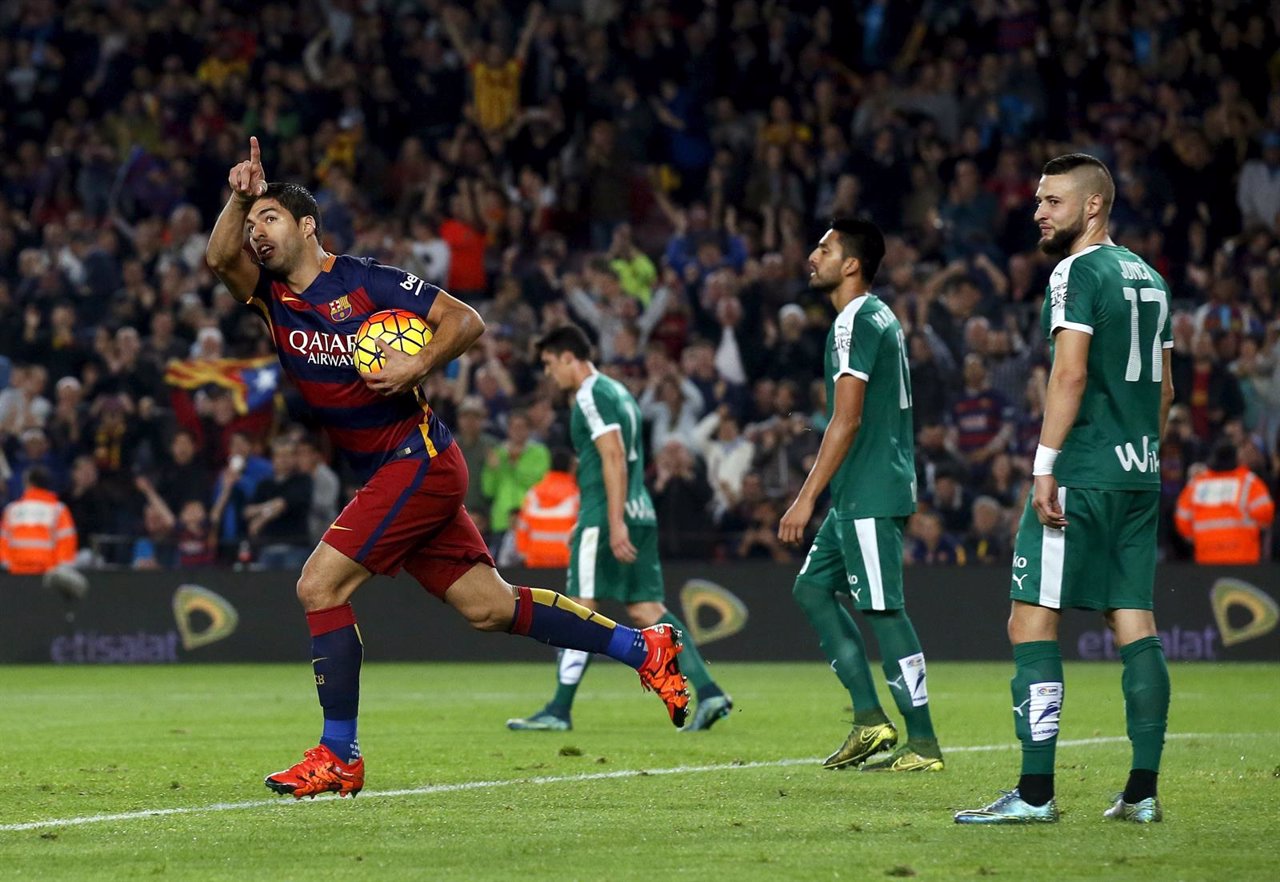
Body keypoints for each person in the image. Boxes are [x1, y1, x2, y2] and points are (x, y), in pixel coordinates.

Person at [205, 137, 689, 800]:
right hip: (390, 473)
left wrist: (417, 363)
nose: (256, 233)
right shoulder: (270, 299)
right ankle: (648, 649)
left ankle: (338, 754)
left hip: (420, 461)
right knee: (490, 608)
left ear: (306, 224)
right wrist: (237, 197)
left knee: (319, 586)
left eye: (269, 219)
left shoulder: (367, 281)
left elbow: (466, 320)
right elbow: (215, 257)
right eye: (252, 223)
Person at [956, 154, 1174, 826]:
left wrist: (1044, 464)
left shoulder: (1075, 272)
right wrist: (1142, 454)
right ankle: (1141, 793)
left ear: (1093, 207)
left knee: (1030, 619)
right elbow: (1165, 390)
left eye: (1052, 201)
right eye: (1039, 201)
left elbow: (1069, 376)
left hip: (1081, 470)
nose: (1038, 212)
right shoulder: (1154, 278)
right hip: (1139, 472)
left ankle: (1035, 792)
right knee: (1133, 620)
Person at [506, 324, 732, 733]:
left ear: (569, 358)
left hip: (608, 515)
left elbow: (611, 456)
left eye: (549, 364)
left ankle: (558, 708)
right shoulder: (620, 392)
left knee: (577, 610)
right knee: (646, 608)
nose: (548, 373)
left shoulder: (590, 394)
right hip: (639, 509)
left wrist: (610, 523)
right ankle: (710, 689)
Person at [778, 218, 944, 773]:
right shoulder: (877, 317)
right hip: (861, 490)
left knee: (883, 609)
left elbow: (845, 421)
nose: (813, 254)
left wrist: (805, 498)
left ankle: (923, 743)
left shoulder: (854, 319)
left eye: (824, 248)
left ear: (851, 264)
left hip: (870, 489)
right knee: (811, 589)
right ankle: (870, 720)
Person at [1174, 440, 1274, 564]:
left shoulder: (1196, 485)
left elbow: (1182, 523)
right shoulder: (1249, 482)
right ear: (1237, 459)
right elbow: (1266, 516)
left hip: (1206, 559)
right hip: (1244, 560)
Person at [0, 466, 77, 575]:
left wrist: (7, 566)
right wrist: (61, 571)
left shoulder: (12, 510)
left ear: (28, 484)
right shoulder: (58, 510)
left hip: (16, 574)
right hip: (48, 574)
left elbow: (3, 541)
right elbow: (66, 542)